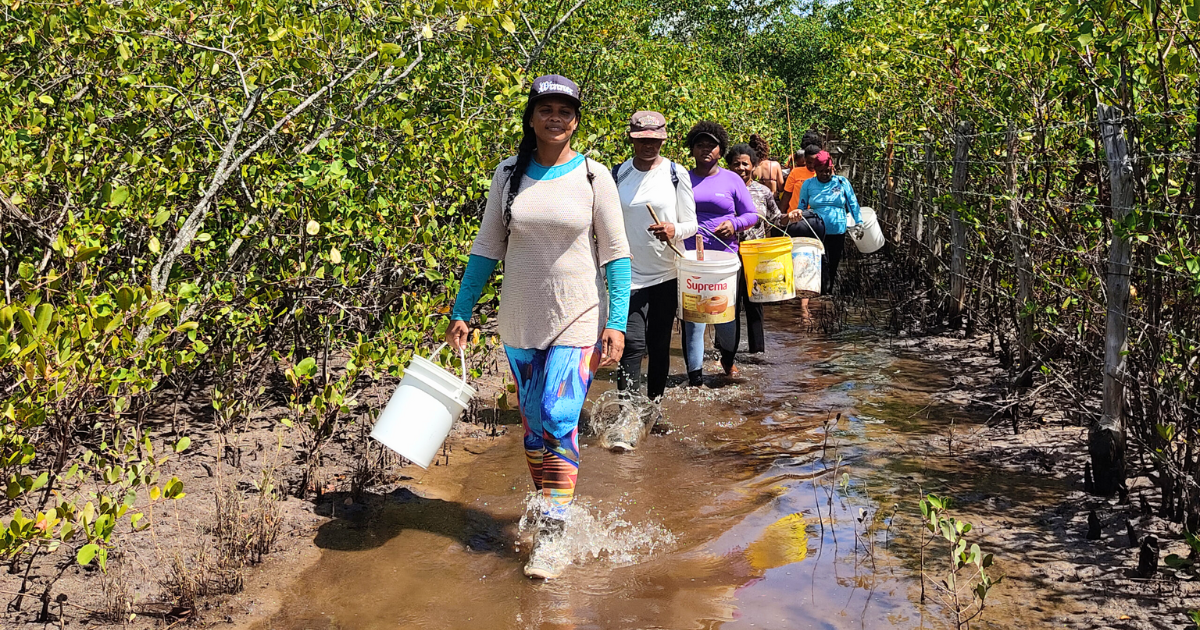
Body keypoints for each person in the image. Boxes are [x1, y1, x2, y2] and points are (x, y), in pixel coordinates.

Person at [446, 74, 631, 580]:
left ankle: (550, 538)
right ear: (530, 117)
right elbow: (487, 247)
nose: (555, 117)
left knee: (557, 413)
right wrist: (462, 310)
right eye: (545, 108)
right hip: (521, 320)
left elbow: (616, 255)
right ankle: (552, 503)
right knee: (532, 433)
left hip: (579, 316)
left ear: (576, 120)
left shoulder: (595, 176)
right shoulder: (509, 174)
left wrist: (616, 322)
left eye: (565, 111)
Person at [608, 110, 697, 450]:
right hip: (626, 274)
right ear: (632, 139)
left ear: (663, 139)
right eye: (641, 139)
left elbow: (691, 224)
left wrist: (674, 229)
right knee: (631, 345)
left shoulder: (676, 174)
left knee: (659, 346)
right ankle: (628, 415)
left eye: (653, 140)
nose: (647, 145)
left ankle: (654, 408)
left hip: (666, 273)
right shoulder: (616, 175)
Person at [681, 122, 759, 384]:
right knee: (693, 319)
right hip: (692, 261)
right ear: (692, 149)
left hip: (725, 260)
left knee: (726, 317)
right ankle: (695, 380)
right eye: (700, 144)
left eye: (711, 145)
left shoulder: (732, 179)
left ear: (720, 150)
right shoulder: (682, 179)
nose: (705, 149)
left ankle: (727, 361)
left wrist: (734, 224)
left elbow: (752, 215)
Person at [725, 143, 779, 356]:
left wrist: (790, 217)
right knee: (730, 304)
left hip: (756, 255)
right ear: (729, 166)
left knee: (755, 305)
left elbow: (775, 219)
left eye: (745, 164)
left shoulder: (763, 191)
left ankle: (758, 353)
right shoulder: (723, 189)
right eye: (736, 164)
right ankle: (728, 352)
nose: (741, 168)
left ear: (754, 166)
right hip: (728, 254)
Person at [794, 150, 862, 297]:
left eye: (827, 171)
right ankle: (821, 292)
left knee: (833, 263)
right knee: (821, 262)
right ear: (815, 170)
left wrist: (859, 222)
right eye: (821, 171)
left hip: (838, 230)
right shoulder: (808, 184)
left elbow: (852, 203)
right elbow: (802, 206)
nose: (825, 174)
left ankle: (828, 292)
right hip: (816, 231)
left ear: (832, 168)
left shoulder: (842, 182)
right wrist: (797, 216)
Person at [781, 142, 822, 212]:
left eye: (814, 163)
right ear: (805, 160)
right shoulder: (795, 172)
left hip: (815, 216)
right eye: (809, 162)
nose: (812, 166)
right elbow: (787, 195)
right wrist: (780, 216)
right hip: (795, 214)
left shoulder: (823, 174)